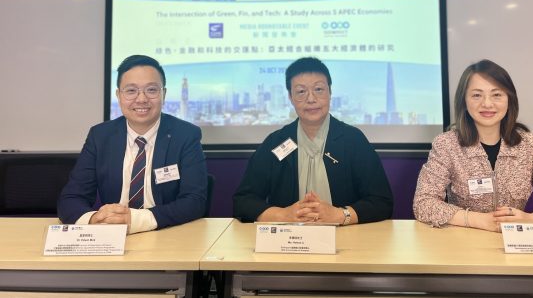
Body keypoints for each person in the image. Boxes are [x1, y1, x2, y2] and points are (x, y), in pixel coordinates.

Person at [413, 59, 533, 231]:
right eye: (477, 95)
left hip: (515, 243)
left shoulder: (530, 145)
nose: (487, 104)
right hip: (464, 243)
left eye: (497, 95)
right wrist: (477, 220)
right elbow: (423, 203)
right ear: (464, 101)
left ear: (509, 99)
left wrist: (532, 219)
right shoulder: (447, 144)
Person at [58, 54, 208, 234]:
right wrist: (92, 219)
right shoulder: (100, 136)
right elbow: (71, 198)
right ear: (118, 95)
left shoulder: (185, 135)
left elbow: (194, 201)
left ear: (164, 94)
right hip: (113, 235)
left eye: (151, 90)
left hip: (165, 233)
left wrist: (136, 220)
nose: (141, 99)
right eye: (131, 91)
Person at [233, 57, 393, 225]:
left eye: (318, 89)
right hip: (287, 242)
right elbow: (243, 201)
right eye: (301, 91)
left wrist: (340, 215)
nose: (311, 99)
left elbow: (382, 202)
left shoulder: (353, 140)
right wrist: (283, 215)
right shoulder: (277, 142)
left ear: (330, 92)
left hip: (345, 240)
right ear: (290, 97)